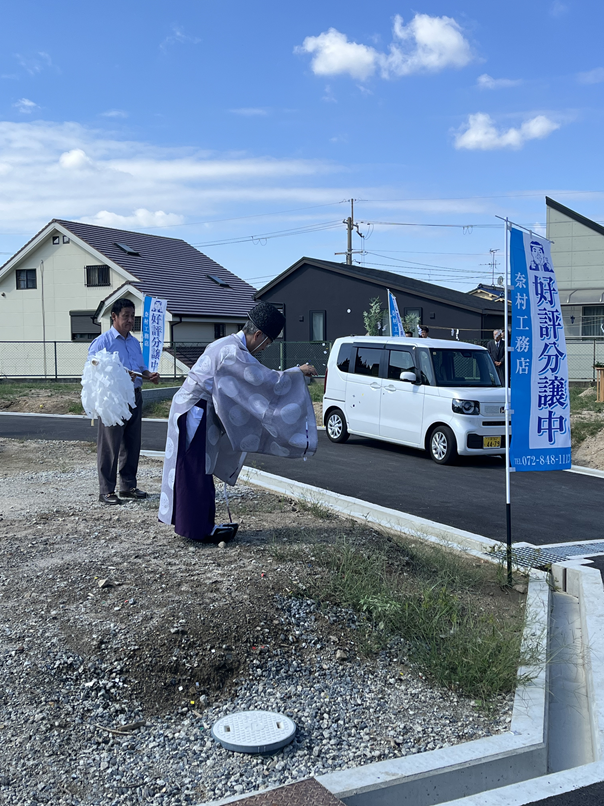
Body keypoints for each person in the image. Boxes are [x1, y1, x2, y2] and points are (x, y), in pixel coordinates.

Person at [159, 302, 318, 543]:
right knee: (196, 469)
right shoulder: (232, 352)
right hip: (195, 411)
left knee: (196, 468)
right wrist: (296, 372)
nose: (265, 348)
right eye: (267, 343)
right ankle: (197, 528)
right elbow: (266, 382)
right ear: (258, 335)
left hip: (196, 409)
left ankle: (193, 524)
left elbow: (256, 377)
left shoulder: (227, 345)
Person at [88, 299, 160, 505]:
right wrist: (118, 375)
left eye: (132, 316)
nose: (130, 320)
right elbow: (91, 369)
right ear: (114, 317)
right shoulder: (103, 342)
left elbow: (140, 367)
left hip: (135, 394)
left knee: (132, 442)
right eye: (125, 315)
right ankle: (106, 491)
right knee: (110, 444)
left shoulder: (134, 342)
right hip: (113, 398)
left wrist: (149, 375)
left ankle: (128, 486)